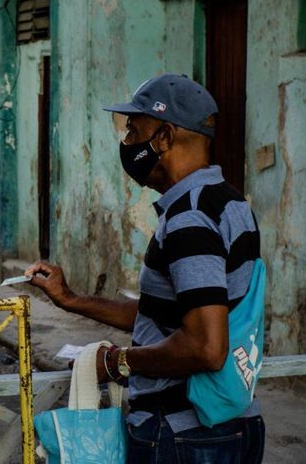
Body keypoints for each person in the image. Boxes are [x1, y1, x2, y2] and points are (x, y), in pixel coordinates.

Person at [25, 74, 265, 463]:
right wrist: (71, 300)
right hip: (229, 427)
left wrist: (119, 361)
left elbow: (205, 346)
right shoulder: (230, 204)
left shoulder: (189, 218)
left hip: (185, 435)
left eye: (135, 131)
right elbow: (170, 316)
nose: (127, 143)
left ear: (165, 138)